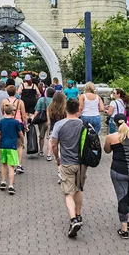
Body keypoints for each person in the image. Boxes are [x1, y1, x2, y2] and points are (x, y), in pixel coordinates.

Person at [50, 98, 87, 238]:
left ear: (65, 109)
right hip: (82, 164)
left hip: (66, 162)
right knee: (79, 189)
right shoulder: (84, 124)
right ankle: (78, 215)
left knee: (68, 193)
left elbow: (54, 145)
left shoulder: (59, 125)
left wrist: (56, 158)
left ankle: (73, 220)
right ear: (78, 109)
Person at [0, 102, 24, 195]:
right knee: (11, 166)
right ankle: (11, 185)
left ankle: (3, 181)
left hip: (2, 146)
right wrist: (23, 141)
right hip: (12, 147)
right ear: (12, 112)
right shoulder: (16, 122)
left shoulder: (0, 122)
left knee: (3, 164)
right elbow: (20, 134)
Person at [1, 85, 28, 174]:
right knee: (19, 146)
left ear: (7, 92)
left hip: (7, 123)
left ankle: (10, 163)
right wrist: (26, 125)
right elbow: (24, 115)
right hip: (18, 123)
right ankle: (19, 165)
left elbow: (1, 113)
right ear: (15, 92)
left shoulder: (4, 101)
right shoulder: (20, 102)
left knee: (9, 144)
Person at [34, 87, 55, 156]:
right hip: (51, 120)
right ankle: (51, 152)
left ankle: (41, 151)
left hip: (42, 119)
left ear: (46, 93)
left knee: (41, 136)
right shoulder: (54, 101)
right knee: (51, 136)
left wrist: (34, 118)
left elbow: (37, 110)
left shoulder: (41, 99)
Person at [46, 91, 66, 162]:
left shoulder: (49, 108)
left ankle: (50, 155)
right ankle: (61, 168)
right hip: (64, 130)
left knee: (53, 145)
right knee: (62, 147)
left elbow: (48, 122)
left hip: (53, 129)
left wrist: (48, 131)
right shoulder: (65, 108)